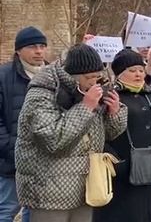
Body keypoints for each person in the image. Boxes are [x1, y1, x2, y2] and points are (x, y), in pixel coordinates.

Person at [15, 44, 127, 222]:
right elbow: (53, 140)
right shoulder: (41, 93)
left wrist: (114, 113)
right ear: (72, 76)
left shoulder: (87, 90)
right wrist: (86, 107)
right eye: (89, 77)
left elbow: (108, 135)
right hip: (49, 191)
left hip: (86, 187)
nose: (94, 82)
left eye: (97, 76)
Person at [93, 49, 151, 222]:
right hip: (121, 172)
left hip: (150, 168)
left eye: (140, 69)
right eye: (132, 71)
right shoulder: (110, 95)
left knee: (147, 213)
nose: (138, 74)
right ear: (119, 74)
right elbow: (99, 131)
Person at [0, 27, 47, 222]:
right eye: (33, 47)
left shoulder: (53, 74)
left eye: (42, 46)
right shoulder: (3, 76)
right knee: (6, 211)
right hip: (11, 161)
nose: (39, 51)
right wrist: (11, 147)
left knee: (34, 211)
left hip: (44, 160)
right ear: (18, 50)